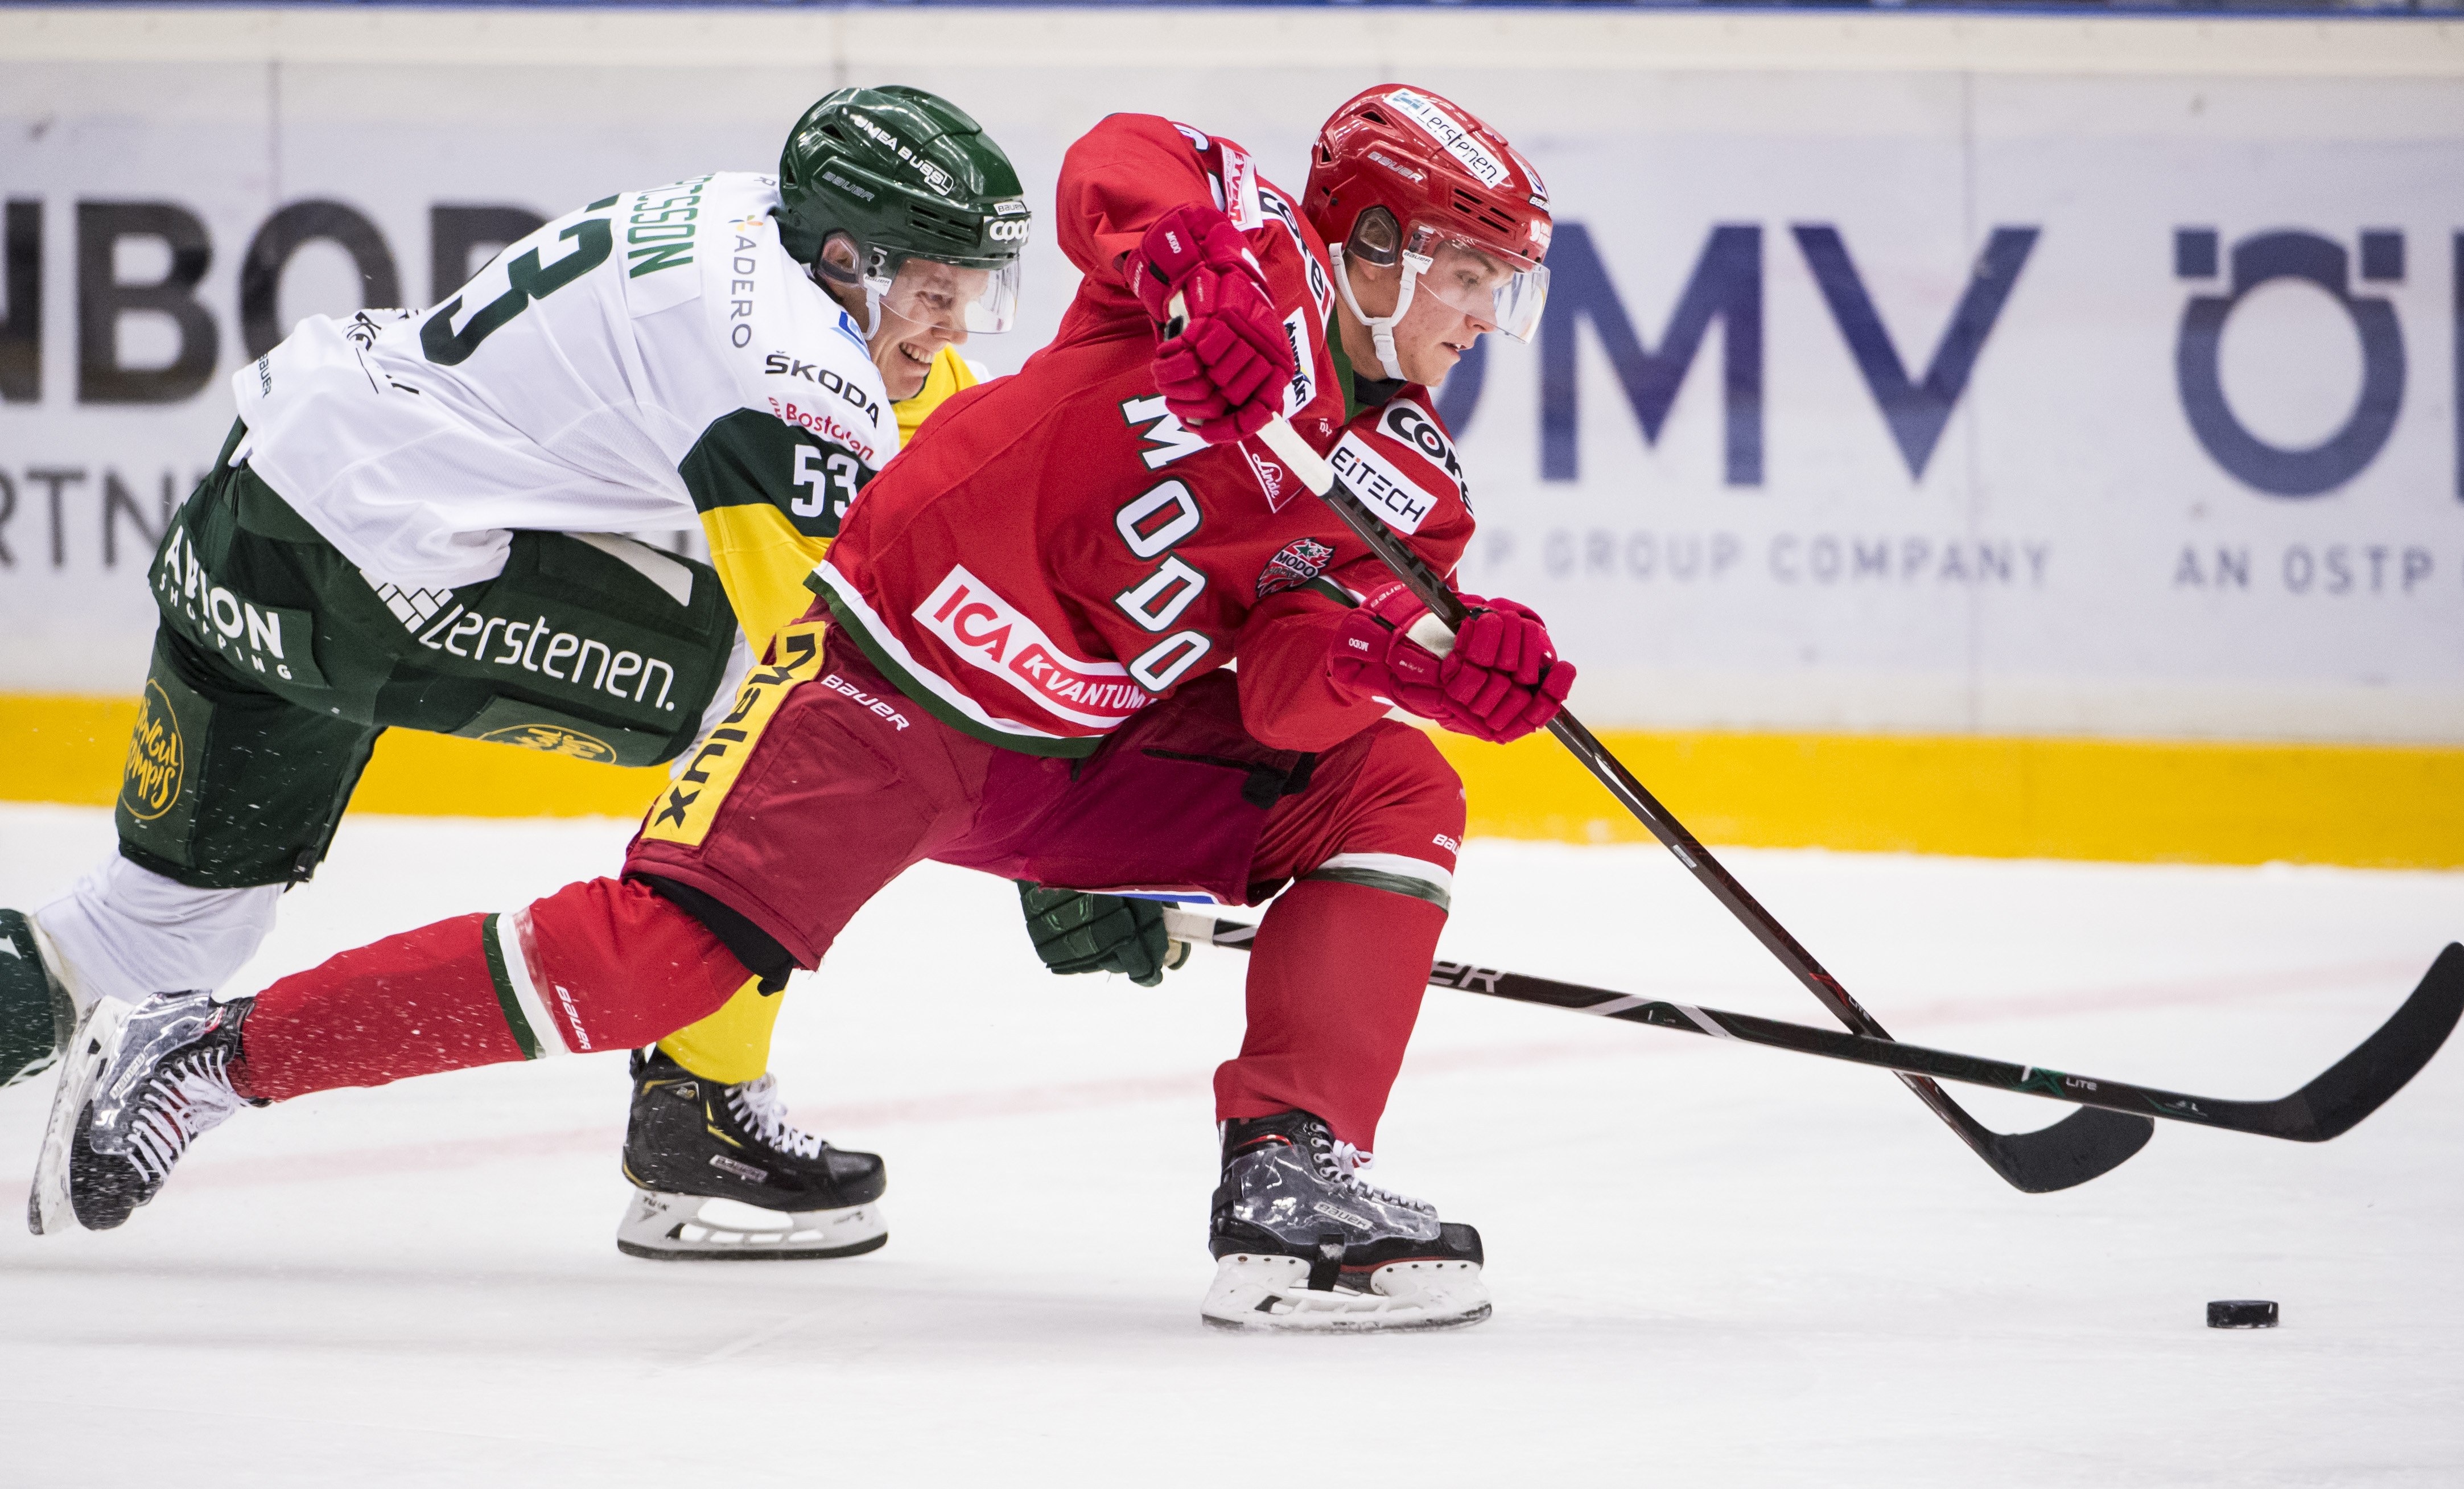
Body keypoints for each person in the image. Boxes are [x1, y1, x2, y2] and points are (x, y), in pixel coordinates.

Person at [32, 83, 1576, 1334]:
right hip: (893, 658)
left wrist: (1414, 663)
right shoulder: (1243, 237)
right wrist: (1192, 268)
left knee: (1388, 783)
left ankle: (1291, 1179)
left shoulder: (1408, 492)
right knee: (654, 964)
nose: (1474, 320)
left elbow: (1292, 697)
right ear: (1371, 240)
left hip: (1067, 748)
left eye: (1496, 292)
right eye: (1463, 277)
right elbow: (1120, 159)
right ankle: (210, 1056)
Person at [2, 84, 1032, 1261]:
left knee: (146, 937)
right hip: (370, 577)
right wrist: (1059, 847)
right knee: (780, 714)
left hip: (264, 515)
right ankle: (702, 1104)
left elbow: (944, 429)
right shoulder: (787, 360)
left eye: (977, 294)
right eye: (934, 292)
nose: (951, 324)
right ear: (849, 255)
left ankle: (698, 1101)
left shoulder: (766, 230)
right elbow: (839, 668)